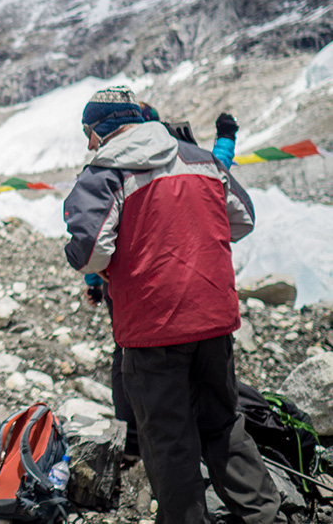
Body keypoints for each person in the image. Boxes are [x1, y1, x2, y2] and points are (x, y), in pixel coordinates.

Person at [64, 86, 284, 524]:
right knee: (222, 423)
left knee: (168, 439)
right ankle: (265, 515)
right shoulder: (201, 159)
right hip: (214, 319)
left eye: (88, 132)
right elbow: (242, 218)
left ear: (103, 129)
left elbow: (90, 252)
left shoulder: (105, 170)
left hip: (152, 327)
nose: (89, 143)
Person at [88, 107, 241, 457]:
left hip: (133, 282)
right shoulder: (186, 158)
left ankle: (134, 438)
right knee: (200, 360)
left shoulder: (119, 162)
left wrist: (95, 280)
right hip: (197, 279)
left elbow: (99, 230)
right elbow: (222, 177)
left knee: (130, 354)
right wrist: (227, 138)